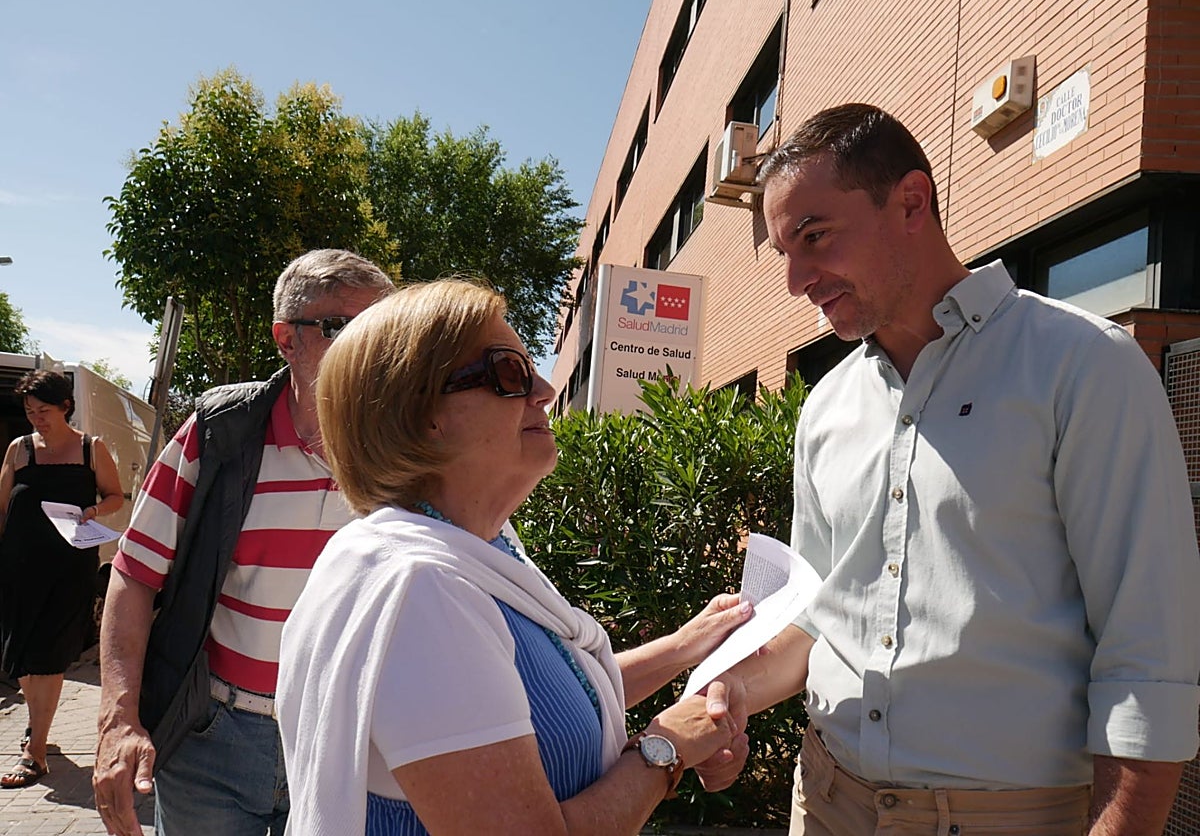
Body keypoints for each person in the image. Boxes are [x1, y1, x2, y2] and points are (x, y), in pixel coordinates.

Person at [710, 103, 1200, 835]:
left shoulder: (1085, 368)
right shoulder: (826, 408)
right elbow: (817, 614)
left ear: (911, 200)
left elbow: (1148, 663)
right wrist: (730, 690)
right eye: (785, 249)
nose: (796, 280)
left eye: (814, 237)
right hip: (825, 800)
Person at [276, 278, 753, 835]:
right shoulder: (422, 592)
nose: (546, 390)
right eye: (510, 372)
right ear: (423, 412)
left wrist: (683, 646)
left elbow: (543, 698)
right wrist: (664, 749)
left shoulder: (476, 547)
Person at [92, 249, 396, 836]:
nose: (369, 347)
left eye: (382, 329)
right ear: (288, 340)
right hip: (214, 741)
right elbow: (133, 574)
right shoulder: (218, 433)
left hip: (349, 745)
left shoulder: (409, 452)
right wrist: (117, 720)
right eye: (342, 328)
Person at [0, 370, 123, 789]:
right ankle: (39, 728)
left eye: (45, 411)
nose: (37, 419)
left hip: (68, 567)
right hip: (19, 568)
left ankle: (34, 752)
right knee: (22, 653)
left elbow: (114, 496)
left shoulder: (92, 449)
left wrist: (94, 511)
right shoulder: (19, 450)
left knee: (50, 654)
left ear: (65, 406)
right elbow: (2, 509)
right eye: (30, 412)